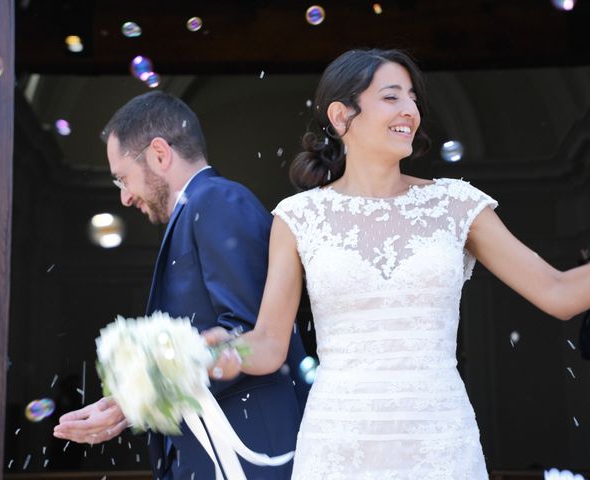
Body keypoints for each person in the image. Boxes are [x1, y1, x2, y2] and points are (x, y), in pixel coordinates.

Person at [204, 48, 590, 479]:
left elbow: (558, 292)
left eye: (412, 98)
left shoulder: (456, 205)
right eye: (392, 97)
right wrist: (222, 351)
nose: (410, 109)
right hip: (337, 443)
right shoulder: (298, 218)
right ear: (340, 116)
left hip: (440, 443)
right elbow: (270, 345)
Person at [53, 91, 309, 479]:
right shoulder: (198, 209)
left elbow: (250, 336)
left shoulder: (220, 201)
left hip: (250, 455)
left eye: (123, 177)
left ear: (159, 153)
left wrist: (141, 390)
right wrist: (130, 401)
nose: (123, 197)